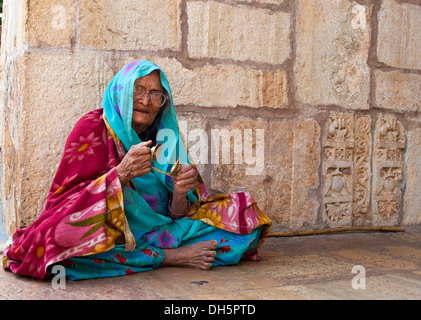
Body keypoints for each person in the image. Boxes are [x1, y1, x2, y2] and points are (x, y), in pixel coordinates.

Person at [2, 60, 271, 280]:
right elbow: (65, 203)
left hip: (159, 232)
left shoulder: (165, 137)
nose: (146, 99)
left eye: (156, 94)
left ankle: (154, 252)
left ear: (164, 101)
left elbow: (178, 213)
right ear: (121, 91)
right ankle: (167, 257)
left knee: (246, 221)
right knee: (55, 245)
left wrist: (179, 193)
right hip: (111, 235)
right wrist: (121, 174)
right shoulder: (93, 128)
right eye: (138, 90)